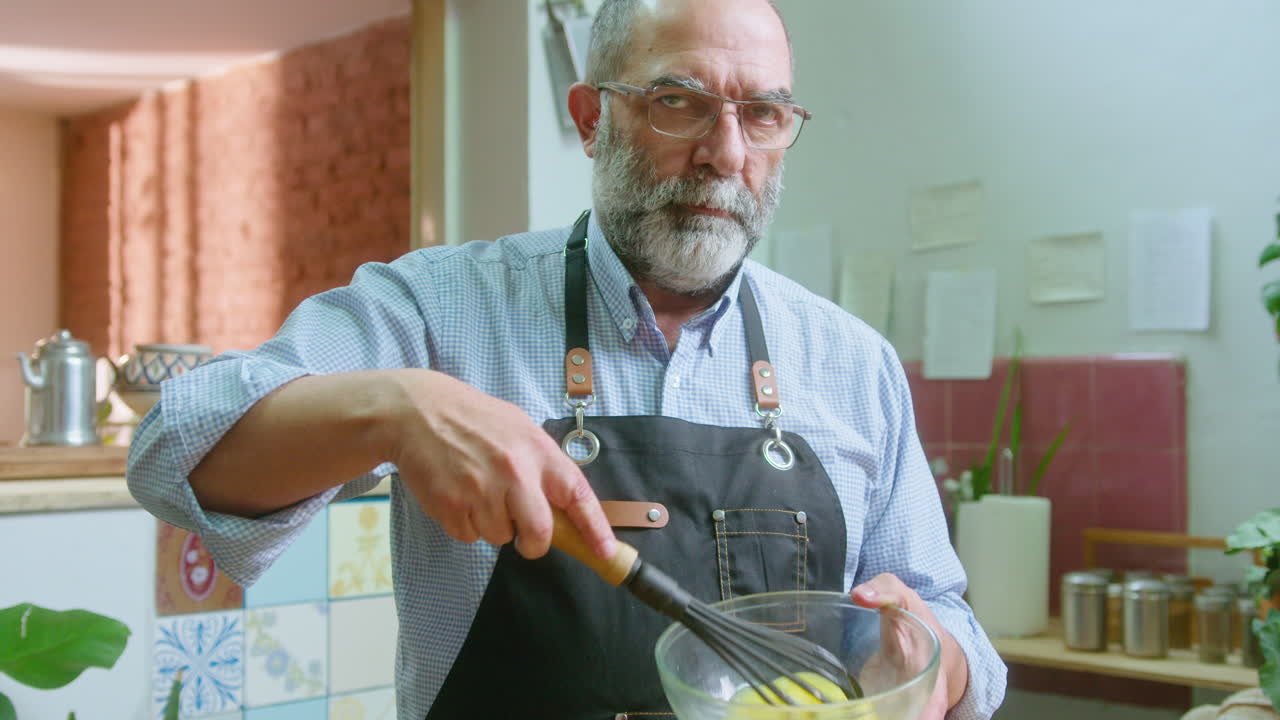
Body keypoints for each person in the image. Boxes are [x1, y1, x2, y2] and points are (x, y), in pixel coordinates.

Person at [127, 0, 1007, 717]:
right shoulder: (441, 309)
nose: (726, 154)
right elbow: (174, 451)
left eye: (763, 114)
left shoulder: (854, 363)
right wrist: (397, 408)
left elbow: (952, 625)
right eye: (679, 100)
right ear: (591, 119)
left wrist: (932, 670)